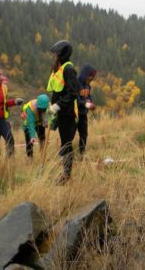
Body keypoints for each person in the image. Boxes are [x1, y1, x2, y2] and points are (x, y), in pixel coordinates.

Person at [46, 40, 79, 185]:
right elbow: (56, 91)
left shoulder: (68, 69)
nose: (54, 56)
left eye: (55, 54)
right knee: (64, 143)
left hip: (67, 113)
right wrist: (52, 107)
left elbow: (72, 93)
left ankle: (66, 175)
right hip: (59, 112)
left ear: (62, 54)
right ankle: (65, 172)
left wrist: (58, 105)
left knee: (66, 144)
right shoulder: (58, 68)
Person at [77, 64, 97, 157]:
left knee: (84, 134)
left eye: (92, 77)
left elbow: (89, 97)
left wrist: (91, 103)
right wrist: (87, 104)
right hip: (74, 113)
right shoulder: (76, 83)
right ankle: (66, 154)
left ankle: (82, 154)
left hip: (83, 113)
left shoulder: (88, 86)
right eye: (90, 76)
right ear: (85, 74)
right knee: (70, 135)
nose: (91, 79)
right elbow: (76, 99)